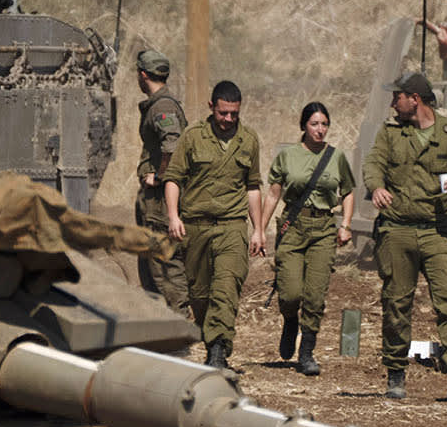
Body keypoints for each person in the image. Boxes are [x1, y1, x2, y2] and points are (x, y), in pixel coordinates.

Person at [364, 71, 447, 404]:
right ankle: (395, 376)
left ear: (414, 99)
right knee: (396, 304)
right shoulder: (390, 133)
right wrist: (376, 187)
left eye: (397, 97)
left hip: (437, 231)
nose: (393, 103)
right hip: (397, 231)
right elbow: (373, 163)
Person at [163, 80, 265, 368]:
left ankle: (218, 350)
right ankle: (212, 341)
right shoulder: (192, 136)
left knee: (226, 286)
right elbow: (173, 179)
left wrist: (257, 229)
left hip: (232, 226)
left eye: (234, 113)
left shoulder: (249, 139)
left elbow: (253, 187)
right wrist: (173, 216)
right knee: (200, 294)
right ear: (212, 107)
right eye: (223, 113)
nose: (229, 119)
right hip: (196, 227)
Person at [263, 101, 355, 376]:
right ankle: (290, 320)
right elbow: (273, 193)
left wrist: (346, 224)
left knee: (315, 296)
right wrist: (259, 230)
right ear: (303, 126)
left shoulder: (336, 157)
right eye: (314, 124)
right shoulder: (288, 156)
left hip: (323, 228)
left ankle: (307, 353)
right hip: (293, 227)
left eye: (324, 124)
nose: (320, 130)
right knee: (290, 293)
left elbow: (348, 191)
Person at [132, 49, 189, 311]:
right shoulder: (158, 104)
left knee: (164, 262)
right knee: (152, 265)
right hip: (153, 200)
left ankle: (179, 321)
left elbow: (173, 145)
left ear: (143, 75)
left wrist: (162, 176)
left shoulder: (163, 107)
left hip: (160, 201)